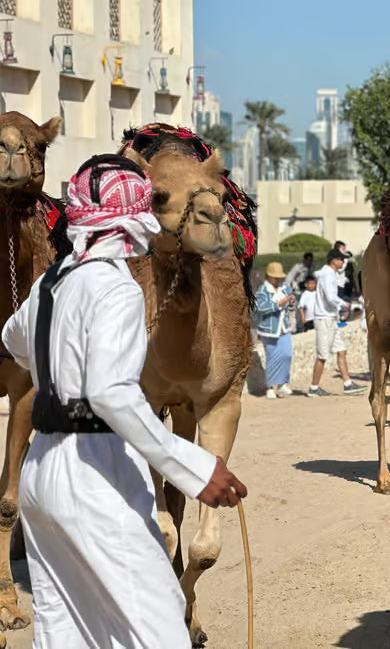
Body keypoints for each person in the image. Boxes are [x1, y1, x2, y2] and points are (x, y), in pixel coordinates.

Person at [1, 154, 246, 648]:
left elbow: (14, 338)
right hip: (96, 472)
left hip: (43, 474)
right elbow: (113, 395)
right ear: (136, 218)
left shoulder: (51, 283)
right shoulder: (117, 288)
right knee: (157, 629)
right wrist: (195, 469)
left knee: (68, 630)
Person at [309, 248, 365, 396]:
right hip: (324, 319)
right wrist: (343, 304)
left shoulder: (329, 273)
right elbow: (330, 297)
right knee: (322, 356)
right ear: (334, 260)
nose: (343, 262)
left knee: (341, 350)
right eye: (341, 259)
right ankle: (314, 388)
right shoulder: (327, 274)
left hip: (331, 319)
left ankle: (347, 384)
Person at [255, 262, 296, 399]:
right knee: (272, 357)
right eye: (275, 277)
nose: (278, 280)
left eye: (279, 277)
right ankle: (271, 387)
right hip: (269, 329)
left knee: (287, 354)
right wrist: (279, 304)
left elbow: (291, 306)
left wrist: (290, 303)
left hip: (284, 327)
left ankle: (283, 382)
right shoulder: (262, 290)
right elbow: (260, 308)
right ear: (268, 276)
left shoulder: (285, 288)